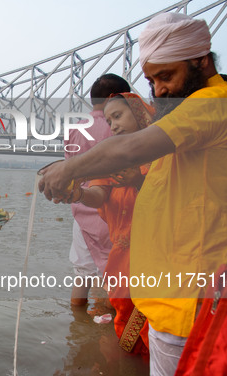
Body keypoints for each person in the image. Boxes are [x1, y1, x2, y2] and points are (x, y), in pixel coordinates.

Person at [38, 13, 227, 376]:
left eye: (167, 77)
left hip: (191, 304)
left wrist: (67, 169)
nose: (159, 90)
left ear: (202, 61)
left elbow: (131, 148)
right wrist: (78, 187)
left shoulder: (217, 100)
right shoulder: (187, 121)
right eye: (152, 80)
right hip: (166, 300)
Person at [71, 93, 155, 356]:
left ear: (140, 113)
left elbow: (179, 198)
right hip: (122, 258)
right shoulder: (113, 159)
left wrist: (139, 180)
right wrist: (77, 194)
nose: (113, 125)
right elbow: (98, 195)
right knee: (126, 331)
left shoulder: (164, 156)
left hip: (156, 257)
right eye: (109, 120)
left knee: (158, 328)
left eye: (118, 116)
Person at [65, 74, 130, 306]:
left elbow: (70, 168)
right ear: (117, 97)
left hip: (81, 208)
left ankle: (78, 327)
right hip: (113, 211)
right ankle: (104, 332)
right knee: (111, 275)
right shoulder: (120, 126)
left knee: (82, 272)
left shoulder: (75, 129)